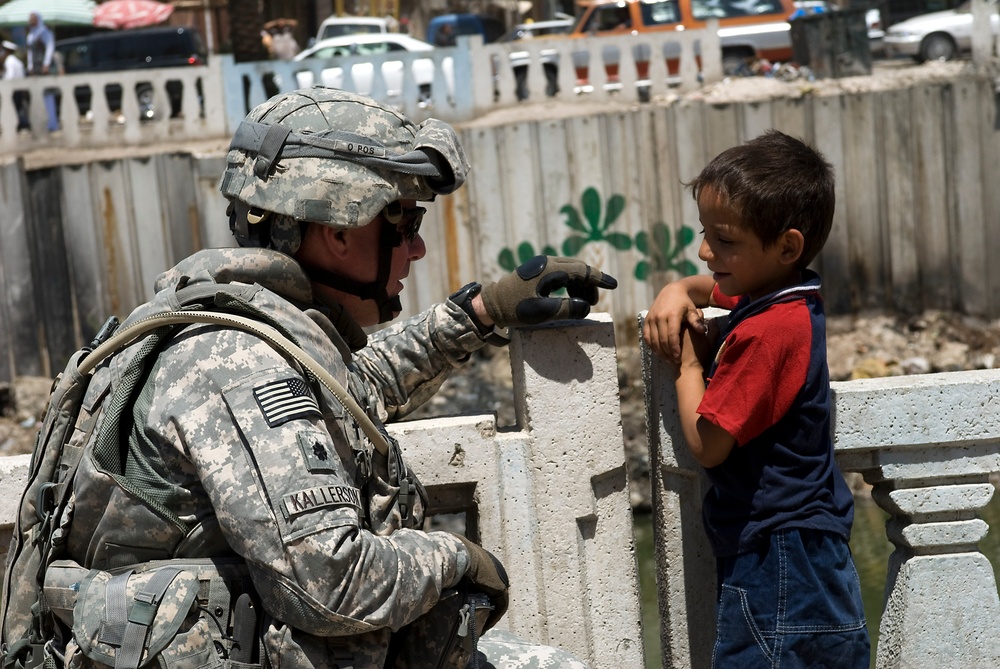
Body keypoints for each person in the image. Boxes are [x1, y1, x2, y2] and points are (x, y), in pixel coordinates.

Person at [47, 87, 616, 669]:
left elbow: (350, 396)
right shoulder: (236, 363)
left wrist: (479, 314)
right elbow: (333, 584)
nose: (417, 249)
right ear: (338, 232)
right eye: (405, 221)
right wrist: (459, 560)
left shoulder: (250, 328)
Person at [642, 130, 869, 667]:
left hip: (778, 559)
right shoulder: (787, 298)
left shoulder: (767, 331)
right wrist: (676, 290)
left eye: (724, 241)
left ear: (786, 245)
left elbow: (708, 442)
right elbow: (709, 288)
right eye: (705, 233)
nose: (704, 251)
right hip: (814, 554)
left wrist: (688, 360)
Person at [24, 11, 58, 131]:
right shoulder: (30, 35)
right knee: (38, 97)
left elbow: (50, 48)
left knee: (48, 96)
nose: (31, 21)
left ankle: (52, 124)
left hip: (44, 69)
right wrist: (30, 67)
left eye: (33, 19)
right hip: (36, 70)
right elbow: (29, 53)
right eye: (30, 19)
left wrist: (46, 64)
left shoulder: (45, 32)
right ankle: (43, 123)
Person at [1, 40, 28, 130]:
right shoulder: (17, 61)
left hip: (12, 91)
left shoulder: (9, 61)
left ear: (7, 51)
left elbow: (9, 77)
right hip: (19, 90)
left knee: (11, 110)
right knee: (17, 110)